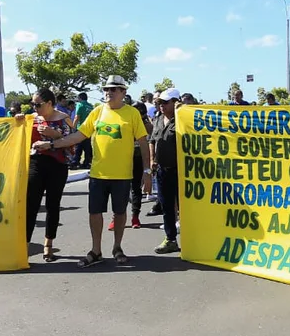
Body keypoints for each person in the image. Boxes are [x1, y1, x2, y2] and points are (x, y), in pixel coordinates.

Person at [34, 75, 151, 268]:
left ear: (123, 92)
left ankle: (117, 247)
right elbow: (78, 136)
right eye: (106, 89)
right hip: (98, 174)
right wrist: (52, 144)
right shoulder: (97, 112)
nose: (109, 92)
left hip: (122, 175)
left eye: (114, 89)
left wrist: (147, 171)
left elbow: (143, 142)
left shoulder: (132, 114)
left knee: (120, 213)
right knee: (95, 213)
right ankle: (96, 250)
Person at [25, 88, 72, 262]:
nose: (34, 108)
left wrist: (55, 136)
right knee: (31, 205)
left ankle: (48, 244)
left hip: (57, 165)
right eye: (32, 104)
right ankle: (25, 245)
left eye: (38, 104)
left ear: (50, 104)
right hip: (36, 163)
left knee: (53, 205)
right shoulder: (32, 118)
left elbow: (72, 142)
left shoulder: (63, 118)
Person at [151, 88, 182, 254]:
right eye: (159, 102)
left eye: (165, 102)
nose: (161, 105)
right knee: (167, 206)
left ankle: (194, 240)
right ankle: (170, 239)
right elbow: (152, 140)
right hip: (162, 170)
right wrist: (152, 159)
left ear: (175, 103)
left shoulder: (183, 120)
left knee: (186, 207)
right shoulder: (158, 118)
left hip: (181, 171)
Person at [123, 102, 155, 230]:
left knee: (136, 188)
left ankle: (135, 216)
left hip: (139, 158)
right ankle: (117, 216)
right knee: (121, 188)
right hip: (125, 158)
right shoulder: (126, 123)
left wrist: (148, 167)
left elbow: (150, 143)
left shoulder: (148, 126)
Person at [70, 92, 95, 169]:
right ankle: (87, 162)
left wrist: (73, 127)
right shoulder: (91, 106)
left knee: (78, 146)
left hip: (80, 128)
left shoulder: (80, 104)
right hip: (89, 129)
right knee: (87, 147)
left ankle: (75, 162)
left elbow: (77, 117)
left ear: (80, 98)